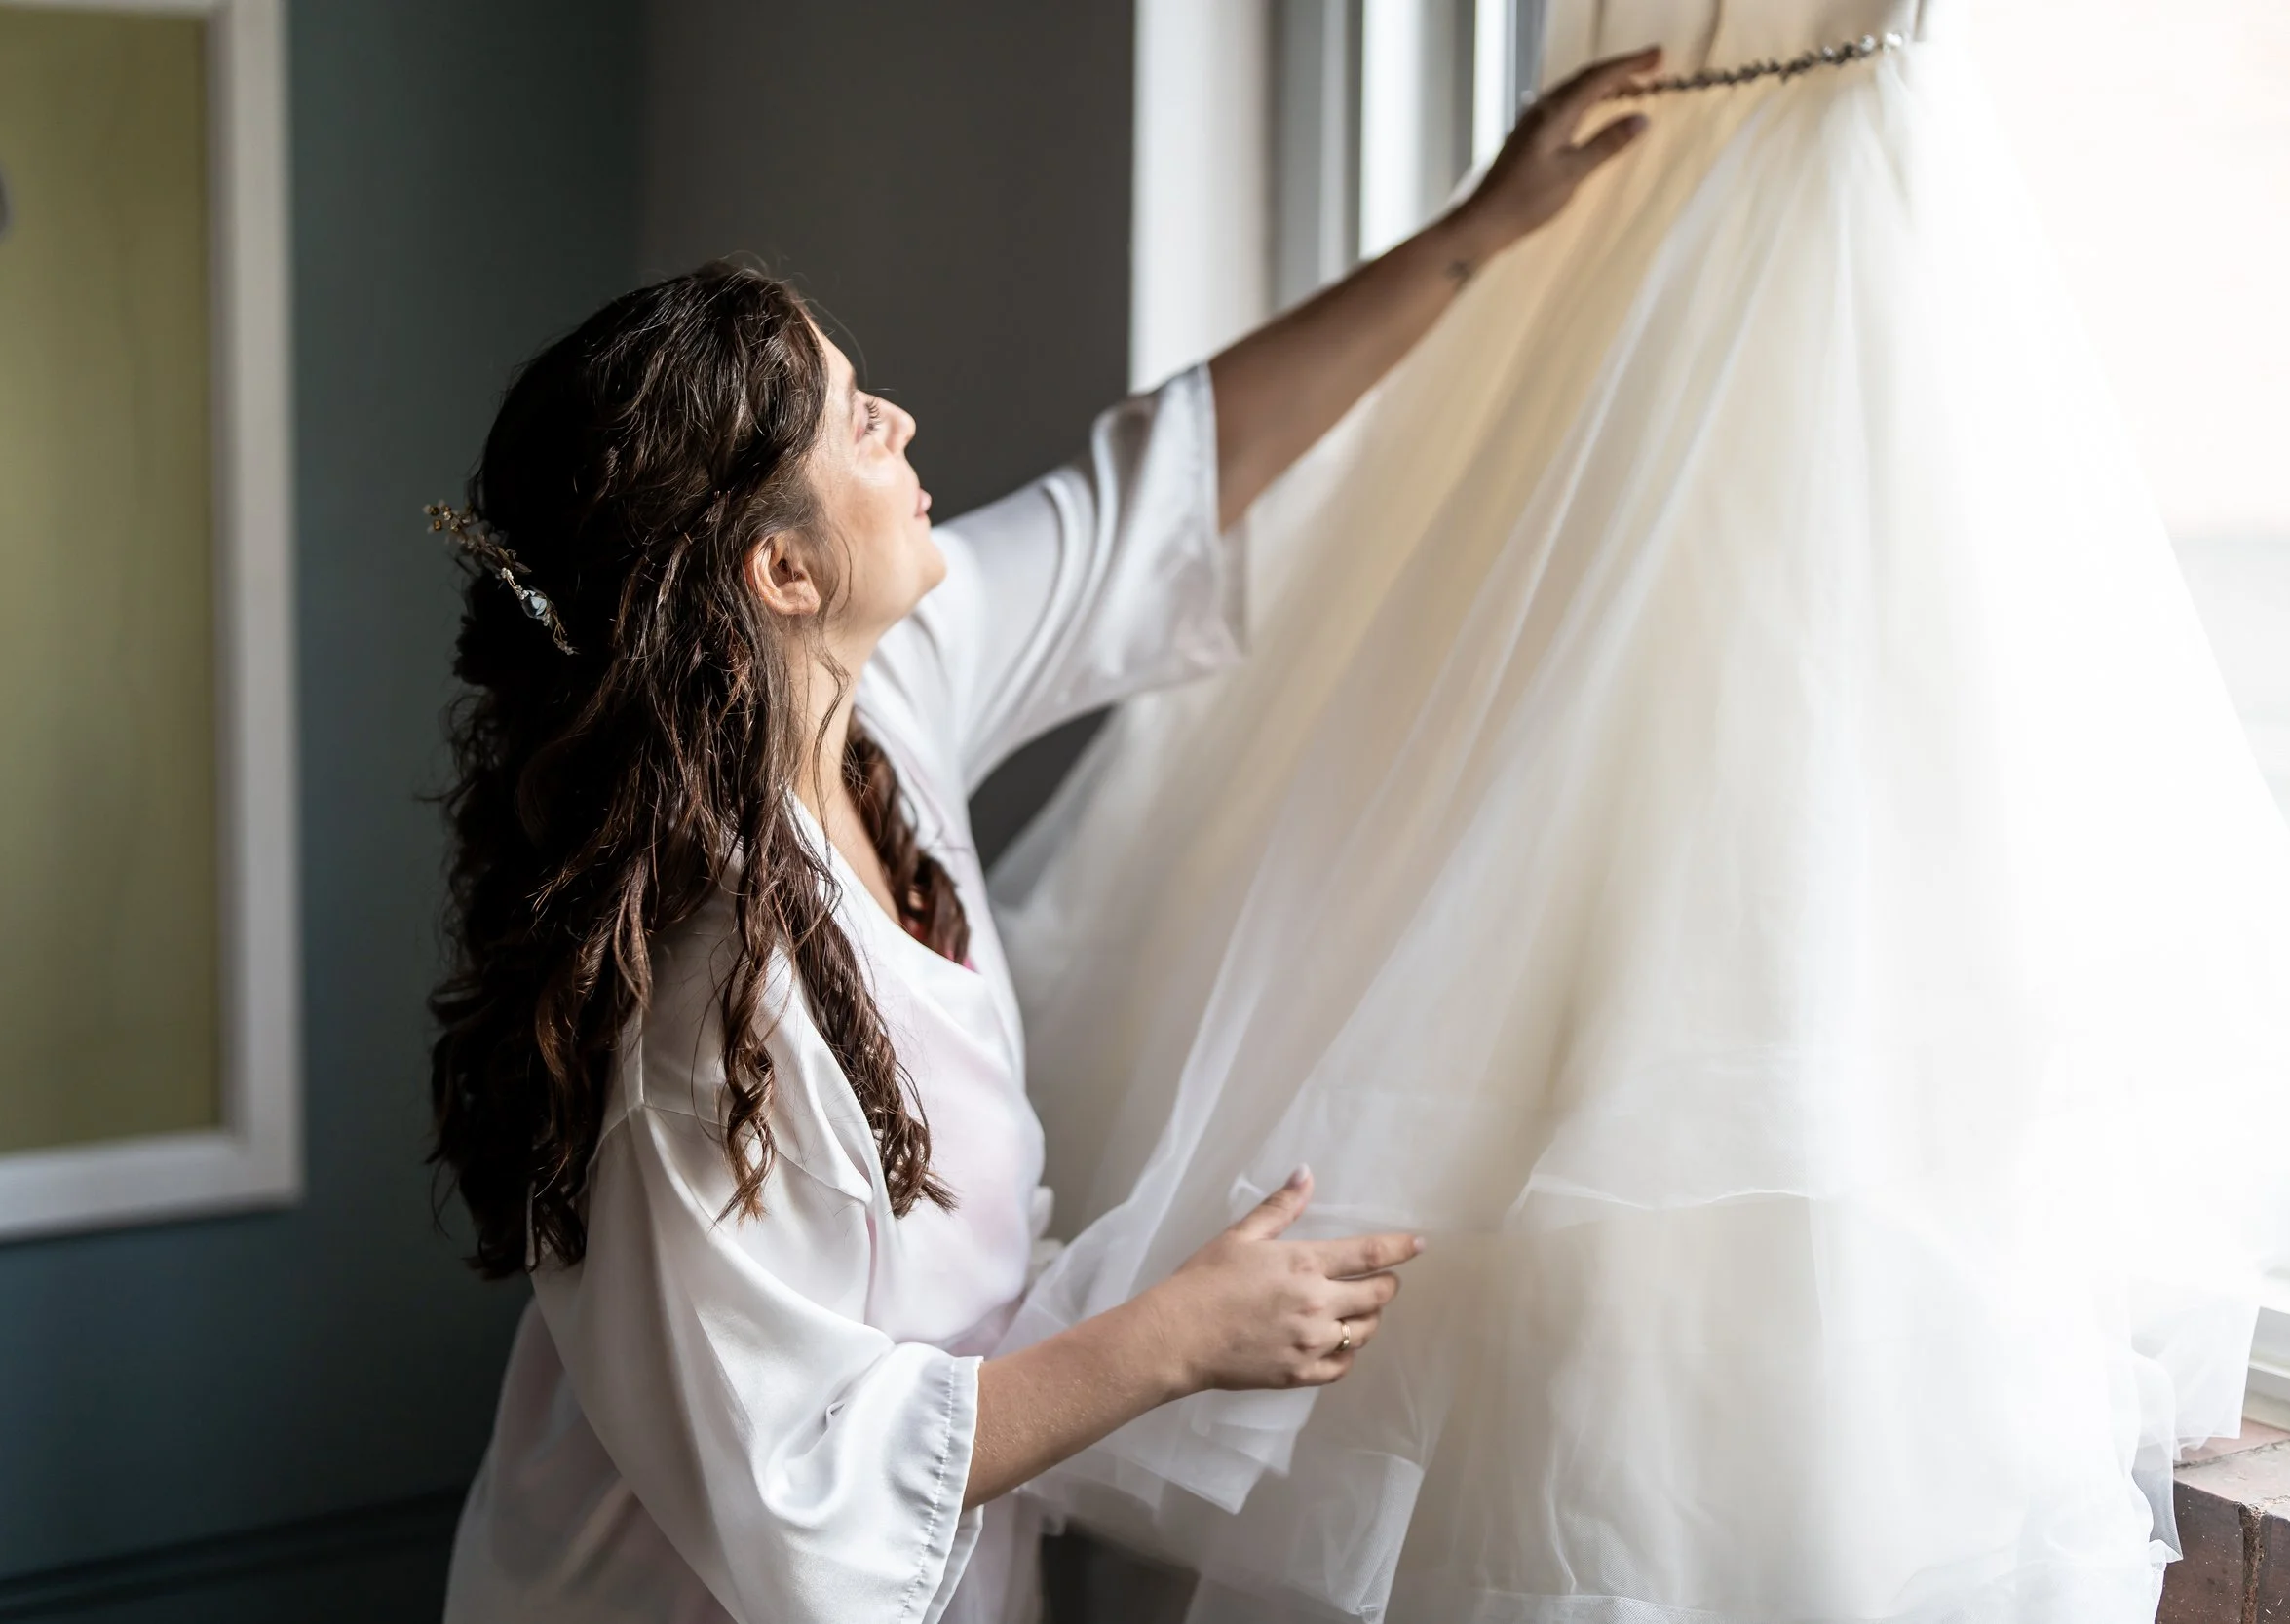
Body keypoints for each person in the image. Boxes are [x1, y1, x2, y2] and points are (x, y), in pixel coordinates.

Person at [428, 50, 1658, 1624]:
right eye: (850, 419)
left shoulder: (879, 710)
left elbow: (1158, 489)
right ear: (781, 575)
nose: (900, 420)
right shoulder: (698, 992)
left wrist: (1476, 232)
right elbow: (798, 1484)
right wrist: (1175, 1336)